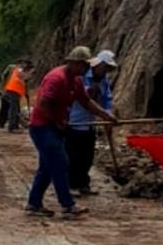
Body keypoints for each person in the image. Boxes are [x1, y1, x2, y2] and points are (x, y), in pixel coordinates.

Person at [26, 46, 117, 218]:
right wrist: (58, 121)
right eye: (85, 66)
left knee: (47, 167)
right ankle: (67, 206)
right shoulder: (56, 78)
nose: (87, 69)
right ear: (75, 64)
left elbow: (86, 102)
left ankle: (34, 204)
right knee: (60, 163)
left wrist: (106, 115)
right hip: (42, 127)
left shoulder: (75, 80)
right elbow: (44, 104)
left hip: (54, 126)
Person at [66, 50, 116, 196]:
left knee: (87, 156)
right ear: (98, 64)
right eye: (104, 67)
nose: (105, 71)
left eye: (108, 69)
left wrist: (108, 113)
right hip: (74, 121)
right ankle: (71, 184)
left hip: (90, 123)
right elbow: (84, 98)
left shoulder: (103, 80)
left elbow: (107, 98)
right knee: (72, 156)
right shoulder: (81, 76)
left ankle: (83, 183)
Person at [3, 60, 34, 132]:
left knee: (16, 109)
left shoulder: (20, 71)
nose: (31, 74)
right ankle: (11, 127)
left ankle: (15, 126)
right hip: (13, 90)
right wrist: (27, 74)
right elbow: (21, 75)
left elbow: (24, 84)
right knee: (13, 109)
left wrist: (26, 93)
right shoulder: (19, 70)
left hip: (15, 92)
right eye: (31, 72)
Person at [0, 61, 19, 129]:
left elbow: (3, 76)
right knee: (15, 108)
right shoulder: (18, 70)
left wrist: (2, 87)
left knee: (4, 107)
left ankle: (1, 123)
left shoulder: (10, 68)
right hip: (13, 91)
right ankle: (14, 124)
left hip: (6, 90)